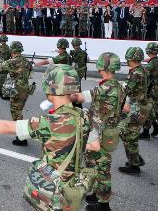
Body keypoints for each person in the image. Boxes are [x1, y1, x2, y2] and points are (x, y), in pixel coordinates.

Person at [0, 64, 100, 211]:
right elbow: (94, 146)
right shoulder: (85, 115)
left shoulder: (49, 122)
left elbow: (8, 127)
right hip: (74, 188)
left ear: (50, 88)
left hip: (54, 192)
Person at [70, 52, 123, 211]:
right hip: (108, 132)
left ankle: (103, 205)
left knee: (101, 168)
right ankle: (97, 193)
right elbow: (125, 108)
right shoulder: (118, 86)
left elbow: (78, 98)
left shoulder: (104, 88)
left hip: (99, 135)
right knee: (96, 164)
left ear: (102, 67)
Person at [0, 41, 33, 146]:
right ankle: (22, 135)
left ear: (13, 50)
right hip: (26, 89)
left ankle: (22, 138)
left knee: (16, 114)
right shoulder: (27, 61)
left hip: (17, 90)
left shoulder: (13, 62)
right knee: (19, 112)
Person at [119, 47, 151, 175]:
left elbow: (127, 91)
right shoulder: (143, 70)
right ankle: (135, 158)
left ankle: (134, 165)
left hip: (134, 109)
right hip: (140, 106)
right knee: (128, 135)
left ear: (131, 58)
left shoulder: (135, 73)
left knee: (129, 137)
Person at [139, 42, 158, 139]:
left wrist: (136, 64)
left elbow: (142, 72)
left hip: (150, 90)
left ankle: (145, 133)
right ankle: (157, 128)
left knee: (146, 110)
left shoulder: (152, 63)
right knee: (150, 110)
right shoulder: (155, 60)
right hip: (154, 89)